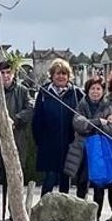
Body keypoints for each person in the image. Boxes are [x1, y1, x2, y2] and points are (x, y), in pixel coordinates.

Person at [0, 60, 33, 221]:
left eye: (8, 72)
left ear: (14, 74)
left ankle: (14, 211)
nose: (5, 76)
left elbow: (30, 109)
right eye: (2, 73)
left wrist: (15, 120)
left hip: (16, 140)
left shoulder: (23, 91)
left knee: (13, 179)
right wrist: (1, 120)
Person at [65, 76, 112, 221]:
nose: (95, 92)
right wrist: (97, 122)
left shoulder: (108, 106)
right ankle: (80, 215)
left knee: (99, 185)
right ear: (87, 90)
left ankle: (97, 216)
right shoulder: (81, 105)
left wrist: (95, 126)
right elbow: (78, 123)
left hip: (100, 151)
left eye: (98, 89)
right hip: (83, 150)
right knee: (82, 183)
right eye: (92, 89)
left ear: (103, 91)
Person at [31, 59, 84, 195]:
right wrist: (40, 141)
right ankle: (43, 213)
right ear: (52, 75)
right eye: (57, 74)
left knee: (65, 182)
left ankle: (63, 214)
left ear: (68, 76)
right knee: (49, 180)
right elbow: (37, 120)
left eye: (64, 74)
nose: (61, 77)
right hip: (49, 145)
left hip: (69, 144)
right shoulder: (44, 93)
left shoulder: (77, 94)